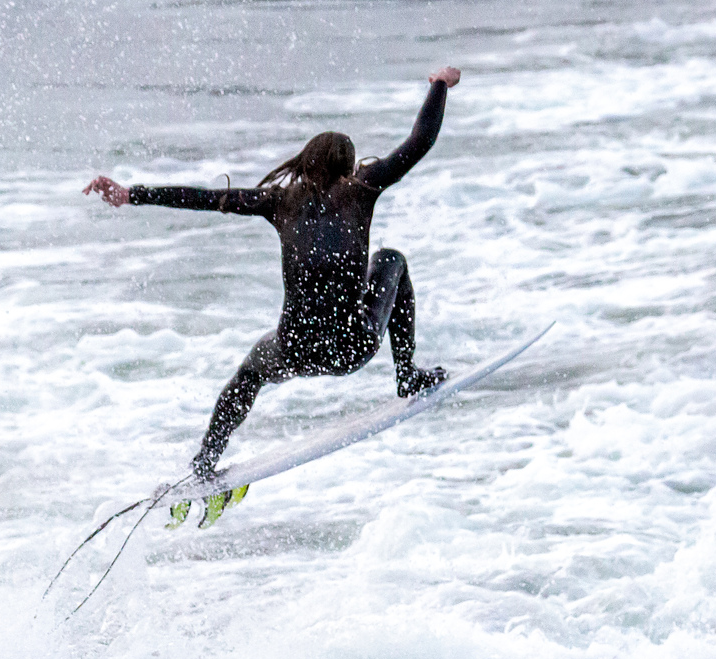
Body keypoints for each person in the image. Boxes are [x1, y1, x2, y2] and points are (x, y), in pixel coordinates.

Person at [85, 66, 461, 480]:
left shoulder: (278, 201)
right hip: (353, 343)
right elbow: (420, 140)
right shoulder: (362, 189)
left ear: (304, 163)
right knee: (392, 260)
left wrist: (131, 194)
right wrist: (439, 84)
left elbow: (204, 199)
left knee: (246, 377)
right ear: (349, 166)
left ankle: (205, 460)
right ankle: (406, 374)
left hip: (295, 347)